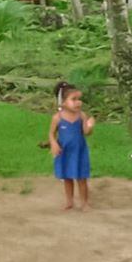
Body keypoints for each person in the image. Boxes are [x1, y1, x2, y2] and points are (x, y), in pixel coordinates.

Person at [48, 81, 95, 210]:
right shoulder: (57, 118)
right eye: (73, 99)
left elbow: (86, 132)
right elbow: (51, 134)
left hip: (79, 151)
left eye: (79, 99)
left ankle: (84, 202)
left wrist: (90, 126)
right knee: (67, 177)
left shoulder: (81, 116)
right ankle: (69, 201)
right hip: (65, 151)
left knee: (81, 177)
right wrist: (53, 144)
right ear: (62, 102)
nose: (78, 102)